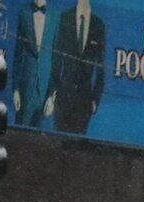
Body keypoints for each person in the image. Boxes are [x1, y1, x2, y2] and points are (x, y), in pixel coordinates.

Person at [47, 0, 106, 134]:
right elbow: (56, 58)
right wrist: (52, 93)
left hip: (84, 100)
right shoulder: (65, 17)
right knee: (59, 144)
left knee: (77, 149)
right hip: (63, 96)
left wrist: (95, 100)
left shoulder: (98, 25)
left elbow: (101, 67)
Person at [12, 0, 57, 127]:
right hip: (25, 89)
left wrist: (51, 96)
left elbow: (56, 59)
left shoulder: (54, 16)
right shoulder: (24, 13)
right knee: (21, 134)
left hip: (44, 90)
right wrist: (15, 89)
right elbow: (18, 53)